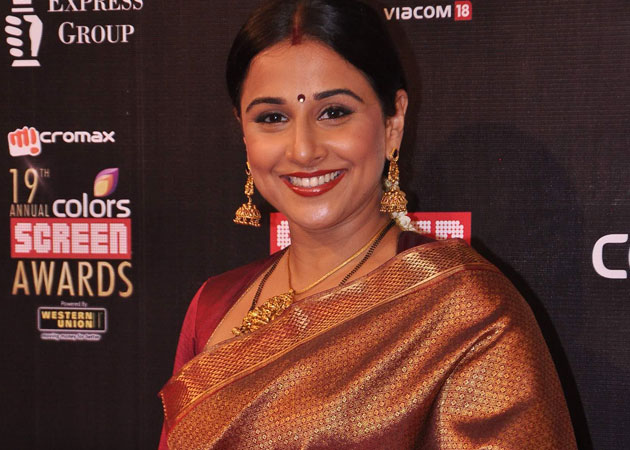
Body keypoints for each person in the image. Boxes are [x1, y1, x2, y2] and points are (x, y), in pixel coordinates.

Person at [159, 0, 577, 448]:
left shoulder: (464, 311)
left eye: (334, 112)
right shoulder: (213, 306)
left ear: (393, 121)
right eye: (272, 118)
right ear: (244, 133)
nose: (303, 150)